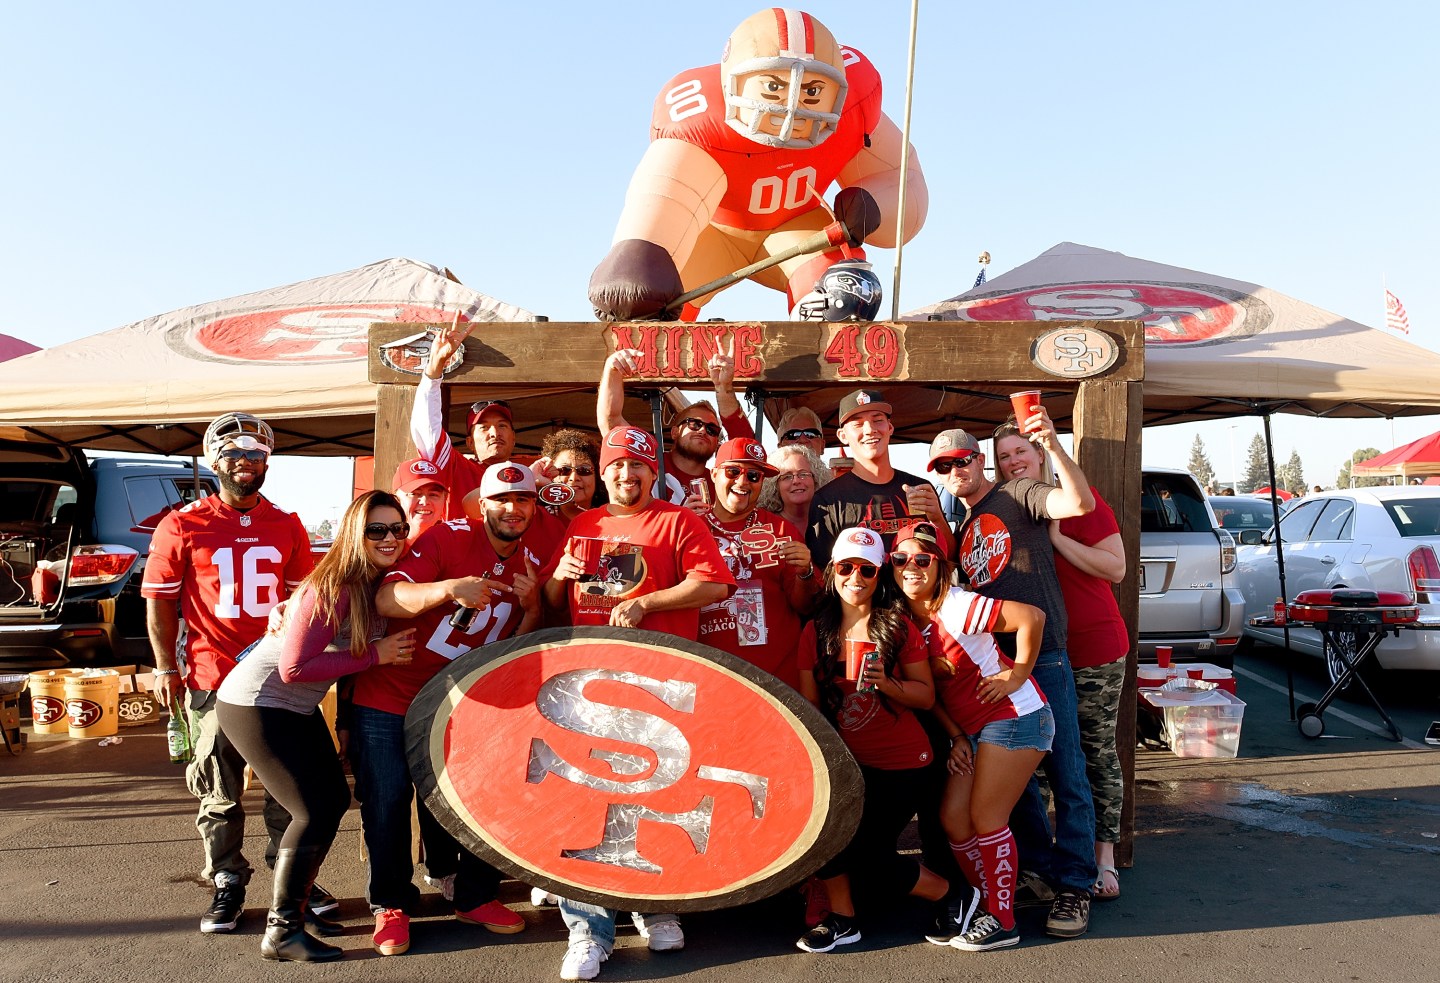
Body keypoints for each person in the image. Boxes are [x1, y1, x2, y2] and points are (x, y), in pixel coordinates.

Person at [542, 425, 734, 981]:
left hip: (662, 686)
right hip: (590, 687)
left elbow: (714, 585)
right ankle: (588, 931)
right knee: (586, 802)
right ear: (604, 473)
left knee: (660, 794)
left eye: (638, 466)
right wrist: (559, 574)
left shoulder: (680, 521)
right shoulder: (583, 524)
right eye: (617, 466)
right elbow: (555, 602)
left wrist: (647, 601)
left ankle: (659, 907)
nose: (627, 475)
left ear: (655, 472)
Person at [587, 7, 925, 320]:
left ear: (837, 88)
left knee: (844, 296)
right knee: (646, 304)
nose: (792, 104)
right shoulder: (702, 119)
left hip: (800, 228)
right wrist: (638, 254)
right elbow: (668, 191)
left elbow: (900, 174)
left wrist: (874, 205)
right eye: (774, 86)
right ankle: (649, 379)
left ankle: (814, 376)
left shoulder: (855, 105)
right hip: (713, 234)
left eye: (811, 90)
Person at [215, 491, 418, 961]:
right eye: (377, 530)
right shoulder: (333, 586)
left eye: (398, 529)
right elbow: (293, 667)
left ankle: (294, 913)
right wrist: (376, 654)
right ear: (354, 533)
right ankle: (282, 932)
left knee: (328, 801)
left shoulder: (372, 583)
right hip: (258, 703)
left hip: (294, 708)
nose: (390, 539)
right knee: (313, 808)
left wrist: (346, 716)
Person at [355, 463, 548, 956]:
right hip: (391, 694)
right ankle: (390, 904)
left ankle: (474, 895)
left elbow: (510, 649)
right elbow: (386, 597)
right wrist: (447, 588)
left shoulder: (530, 558)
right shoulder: (446, 537)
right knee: (388, 800)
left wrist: (530, 610)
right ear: (481, 504)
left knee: (475, 797)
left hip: (457, 701)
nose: (512, 508)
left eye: (522, 499)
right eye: (501, 499)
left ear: (534, 505)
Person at [143, 411, 317, 935]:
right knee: (220, 789)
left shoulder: (286, 522)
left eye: (256, 454)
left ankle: (286, 869)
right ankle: (225, 880)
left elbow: (302, 597)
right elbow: (159, 603)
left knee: (283, 784)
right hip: (213, 672)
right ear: (214, 460)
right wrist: (164, 666)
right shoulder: (182, 523)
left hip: (273, 675)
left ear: (267, 462)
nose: (246, 463)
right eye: (235, 454)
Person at [931, 415, 1099, 940]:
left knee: (1069, 776)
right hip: (994, 671)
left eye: (964, 460)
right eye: (944, 466)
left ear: (979, 461)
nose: (956, 470)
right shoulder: (960, 525)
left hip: (1040, 658)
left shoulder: (1018, 492)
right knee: (1016, 791)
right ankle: (1038, 874)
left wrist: (1051, 445)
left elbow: (1078, 505)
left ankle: (1076, 885)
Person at [891, 522, 1053, 950]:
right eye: (901, 559)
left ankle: (1003, 921)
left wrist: (1017, 674)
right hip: (974, 730)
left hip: (1017, 717)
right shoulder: (906, 618)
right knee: (954, 819)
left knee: (986, 819)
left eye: (923, 559)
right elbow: (932, 692)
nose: (911, 567)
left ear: (941, 567)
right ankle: (987, 900)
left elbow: (1032, 618)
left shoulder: (957, 605)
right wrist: (957, 737)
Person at [795, 526, 950, 953]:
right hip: (850, 763)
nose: (855, 578)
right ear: (831, 571)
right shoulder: (816, 631)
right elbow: (812, 711)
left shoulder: (896, 627)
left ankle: (951, 896)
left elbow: (926, 695)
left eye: (866, 569)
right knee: (826, 842)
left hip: (905, 764)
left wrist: (888, 684)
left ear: (880, 573)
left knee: (865, 857)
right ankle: (844, 921)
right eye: (846, 568)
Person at [993, 421, 1128, 901]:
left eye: (1020, 451)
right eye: (1004, 456)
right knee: (1043, 762)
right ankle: (1048, 864)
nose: (1014, 461)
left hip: (1092, 646)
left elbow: (1116, 568)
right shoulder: (1008, 509)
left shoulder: (1072, 499)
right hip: (1042, 653)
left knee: (1092, 754)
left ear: (1041, 452)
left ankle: (1104, 859)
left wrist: (1059, 541)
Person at [695, 437, 820, 688]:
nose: (743, 482)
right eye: (733, 471)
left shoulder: (780, 529)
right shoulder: (691, 529)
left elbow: (805, 606)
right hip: (710, 675)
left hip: (776, 679)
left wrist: (805, 573)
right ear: (714, 473)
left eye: (753, 476)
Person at [806, 388, 954, 562]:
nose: (870, 429)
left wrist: (937, 519)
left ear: (890, 427)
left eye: (877, 420)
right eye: (858, 424)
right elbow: (824, 572)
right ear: (842, 435)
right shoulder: (828, 501)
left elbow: (949, 558)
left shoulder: (919, 489)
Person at [597, 341, 754, 503]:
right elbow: (611, 422)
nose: (702, 431)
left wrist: (724, 387)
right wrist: (612, 370)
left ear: (717, 442)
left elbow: (747, 445)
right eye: (695, 424)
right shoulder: (648, 463)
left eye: (712, 429)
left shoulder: (722, 481)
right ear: (675, 431)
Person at [758, 443, 833, 541]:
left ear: (816, 479)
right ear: (775, 485)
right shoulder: (764, 525)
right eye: (787, 477)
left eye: (803, 474)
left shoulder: (833, 520)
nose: (796, 481)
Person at [536, 428, 603, 521]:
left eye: (584, 470)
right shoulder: (533, 517)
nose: (574, 478)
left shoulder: (611, 520)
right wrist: (531, 478)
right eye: (564, 470)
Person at [392, 457, 450, 541]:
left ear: (444, 500)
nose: (424, 501)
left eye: (433, 494)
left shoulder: (454, 546)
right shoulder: (382, 547)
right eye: (414, 494)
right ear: (395, 500)